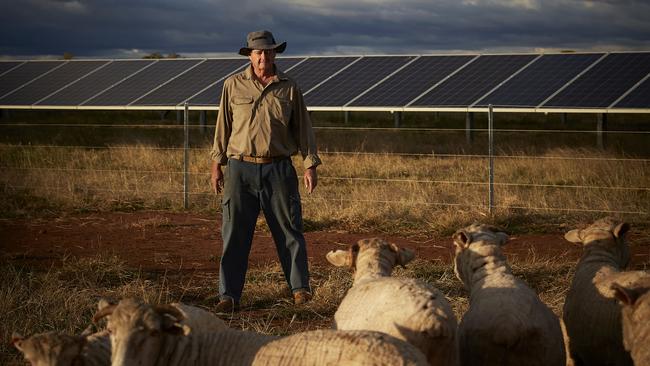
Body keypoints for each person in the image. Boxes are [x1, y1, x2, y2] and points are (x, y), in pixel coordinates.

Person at [209, 30, 321, 312]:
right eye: (258, 52)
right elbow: (223, 127)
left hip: (279, 169)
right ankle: (229, 296)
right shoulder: (232, 85)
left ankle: (300, 290)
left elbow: (303, 130)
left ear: (275, 54)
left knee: (289, 231)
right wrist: (216, 165)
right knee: (234, 233)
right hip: (239, 169)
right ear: (250, 54)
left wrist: (309, 165)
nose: (264, 56)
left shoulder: (289, 87)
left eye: (269, 51)